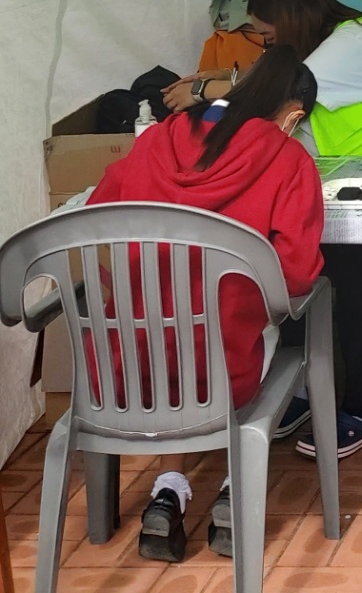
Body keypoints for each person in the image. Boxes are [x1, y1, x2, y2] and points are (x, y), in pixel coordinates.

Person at [164, 0, 362, 456]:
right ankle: (301, 389)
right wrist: (222, 78)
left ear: (291, 20)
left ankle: (360, 407)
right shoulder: (315, 49)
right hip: (327, 195)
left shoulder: (361, 38)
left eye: (268, 34)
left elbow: (285, 86)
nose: (265, 44)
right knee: (283, 258)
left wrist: (205, 93)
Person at [90, 47, 324, 563]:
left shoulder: (158, 139)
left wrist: (135, 291)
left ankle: (168, 490)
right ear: (294, 116)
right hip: (225, 366)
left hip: (128, 364)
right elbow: (296, 275)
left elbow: (97, 220)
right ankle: (233, 489)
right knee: (254, 325)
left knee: (176, 339)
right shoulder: (289, 159)